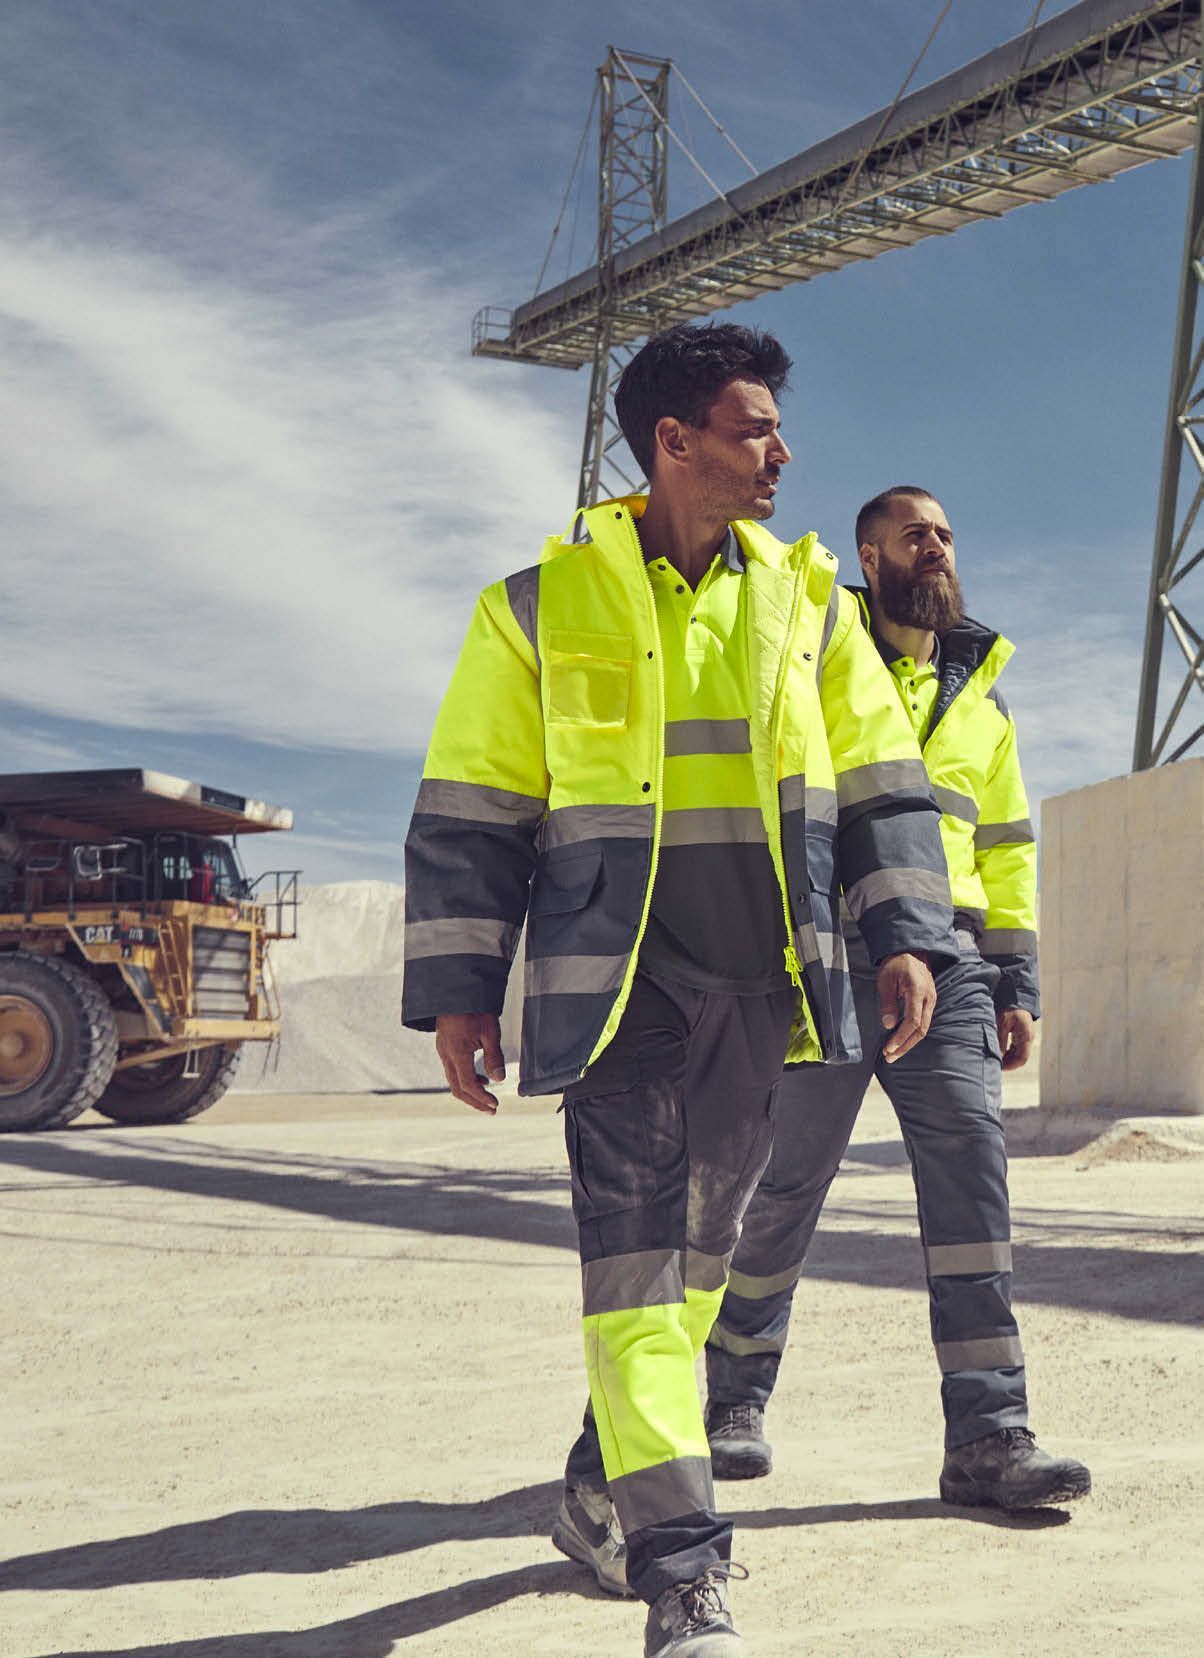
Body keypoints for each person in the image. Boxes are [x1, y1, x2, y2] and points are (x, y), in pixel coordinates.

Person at [402, 329, 960, 1657]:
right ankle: (684, 1573)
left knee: (699, 1264)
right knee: (640, 1266)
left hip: (767, 982)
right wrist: (461, 988)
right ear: (674, 442)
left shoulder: (808, 601)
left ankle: (605, 1483)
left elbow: (881, 779)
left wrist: (904, 935)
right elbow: (476, 807)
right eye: (754, 427)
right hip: (620, 987)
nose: (781, 453)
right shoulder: (537, 604)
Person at [704, 485, 1092, 1513]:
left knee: (971, 1187)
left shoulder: (983, 697)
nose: (938, 547)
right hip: (827, 951)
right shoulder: (816, 656)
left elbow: (1006, 849)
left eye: (948, 533)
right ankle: (728, 1395)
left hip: (952, 961)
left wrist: (1014, 982)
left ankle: (988, 1434)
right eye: (915, 533)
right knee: (782, 1186)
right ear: (868, 557)